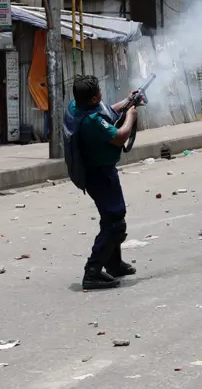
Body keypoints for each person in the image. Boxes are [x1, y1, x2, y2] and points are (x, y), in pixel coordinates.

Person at [66, 75, 141, 290]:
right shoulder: (92, 122)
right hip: (99, 174)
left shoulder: (75, 106)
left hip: (93, 171)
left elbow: (105, 110)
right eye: (98, 93)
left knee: (110, 216)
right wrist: (131, 116)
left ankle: (114, 264)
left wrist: (127, 102)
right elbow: (120, 136)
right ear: (92, 98)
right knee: (115, 221)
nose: (100, 95)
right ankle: (92, 272)